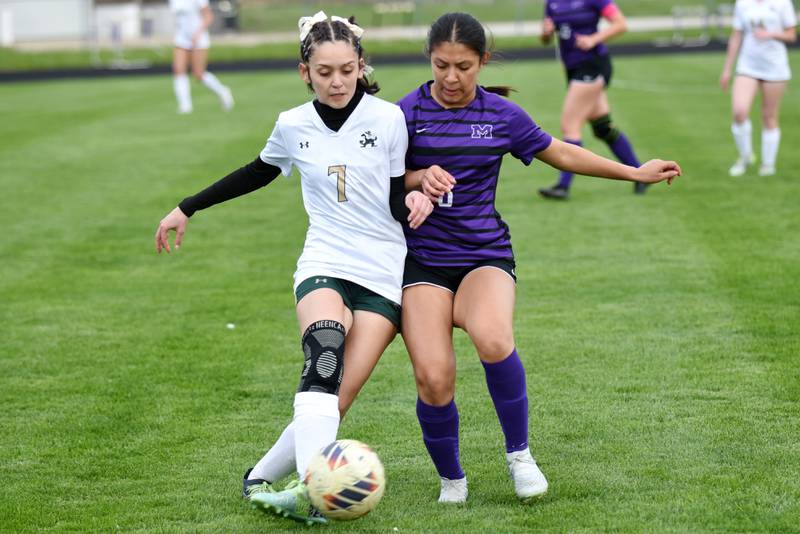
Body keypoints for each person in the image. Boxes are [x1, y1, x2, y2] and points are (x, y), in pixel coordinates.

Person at [155, 11, 432, 524]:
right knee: (323, 356)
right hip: (323, 260)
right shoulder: (292, 124)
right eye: (324, 71)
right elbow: (257, 172)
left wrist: (419, 200)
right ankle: (314, 490)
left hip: (381, 272)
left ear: (360, 66)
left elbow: (394, 199)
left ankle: (259, 476)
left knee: (337, 396)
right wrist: (187, 206)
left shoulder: (388, 118)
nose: (337, 81)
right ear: (305, 71)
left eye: (347, 70)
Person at [396, 12, 681, 503]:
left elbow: (562, 153)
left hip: (484, 253)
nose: (450, 77)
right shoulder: (404, 114)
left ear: (482, 61)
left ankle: (520, 457)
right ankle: (452, 480)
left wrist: (635, 172)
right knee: (433, 376)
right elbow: (377, 179)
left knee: (492, 336)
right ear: (430, 59)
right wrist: (417, 180)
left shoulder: (501, 116)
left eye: (463, 66)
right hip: (422, 260)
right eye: (441, 65)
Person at [536, 0, 647, 199]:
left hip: (592, 65)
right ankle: (641, 174)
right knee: (602, 127)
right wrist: (545, 33)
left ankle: (563, 186)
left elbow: (620, 24)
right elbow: (545, 39)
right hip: (573, 69)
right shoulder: (552, 3)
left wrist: (593, 39)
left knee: (569, 126)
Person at [720, 0, 797, 176]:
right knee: (739, 112)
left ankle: (768, 164)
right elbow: (737, 35)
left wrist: (770, 34)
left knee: (769, 116)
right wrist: (727, 69)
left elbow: (791, 35)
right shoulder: (743, 3)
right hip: (747, 66)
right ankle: (745, 156)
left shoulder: (782, 3)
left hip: (774, 67)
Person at [169, 0, 234, 114]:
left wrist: (197, 33)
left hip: (198, 38)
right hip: (182, 37)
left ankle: (222, 91)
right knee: (178, 69)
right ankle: (185, 106)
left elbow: (208, 16)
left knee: (198, 74)